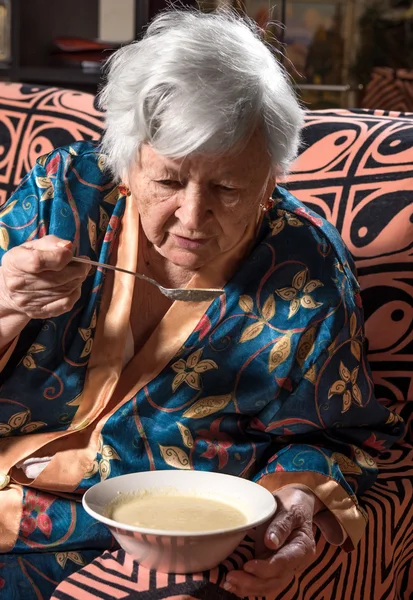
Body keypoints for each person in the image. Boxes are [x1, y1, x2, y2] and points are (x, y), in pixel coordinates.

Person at [0, 8, 404, 600]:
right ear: (126, 158)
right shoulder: (66, 191)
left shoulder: (308, 271)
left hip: (108, 539)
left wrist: (300, 500)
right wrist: (7, 302)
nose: (192, 218)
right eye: (167, 181)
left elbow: (337, 434)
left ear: (271, 177)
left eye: (228, 188)